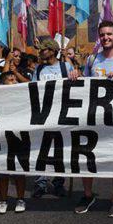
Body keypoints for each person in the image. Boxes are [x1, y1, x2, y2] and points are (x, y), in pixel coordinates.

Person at [76, 20, 113, 217]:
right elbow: (83, 86)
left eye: (109, 34)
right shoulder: (92, 60)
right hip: (93, 118)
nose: (106, 38)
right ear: (99, 37)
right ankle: (87, 195)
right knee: (86, 157)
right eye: (102, 35)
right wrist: (74, 78)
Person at [31, 39, 78, 198]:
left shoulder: (66, 67)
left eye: (44, 50)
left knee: (60, 150)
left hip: (62, 114)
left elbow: (78, 86)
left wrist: (76, 76)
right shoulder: (39, 69)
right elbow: (32, 89)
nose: (41, 52)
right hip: (44, 115)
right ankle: (41, 182)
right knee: (41, 149)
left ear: (52, 51)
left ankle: (59, 182)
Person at [0, 72, 27, 213]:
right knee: (2, 171)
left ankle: (20, 199)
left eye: (15, 79)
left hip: (18, 136)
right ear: (2, 84)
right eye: (10, 79)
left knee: (19, 169)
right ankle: (3, 201)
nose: (14, 81)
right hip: (2, 137)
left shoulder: (22, 97)